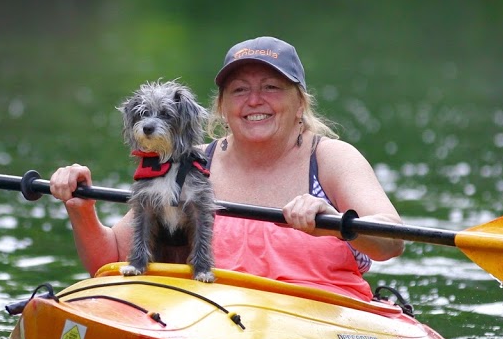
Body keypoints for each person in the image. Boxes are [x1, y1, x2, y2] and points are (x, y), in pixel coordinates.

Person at [48, 36, 403, 301]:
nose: (254, 101)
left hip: (320, 320)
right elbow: (109, 260)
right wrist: (81, 208)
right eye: (239, 90)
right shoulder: (191, 163)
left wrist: (331, 221)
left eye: (271, 87)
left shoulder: (331, 158)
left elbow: (391, 241)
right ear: (221, 108)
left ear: (300, 104)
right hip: (215, 318)